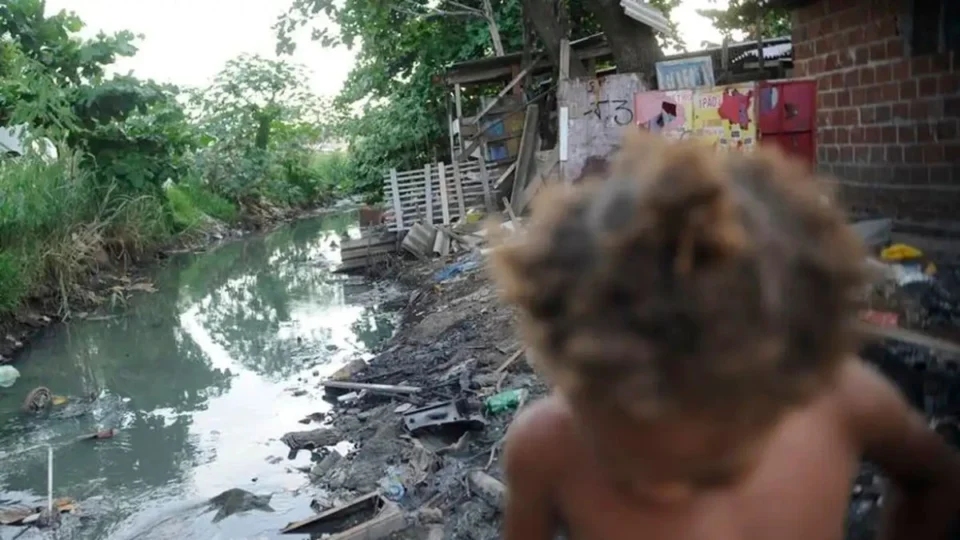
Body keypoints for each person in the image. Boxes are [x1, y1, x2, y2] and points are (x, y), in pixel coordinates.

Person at [490, 131, 960, 540]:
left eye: (716, 469)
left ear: (785, 385)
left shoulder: (839, 400)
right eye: (635, 459)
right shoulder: (546, 449)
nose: (665, 491)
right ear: (570, 376)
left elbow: (933, 480)